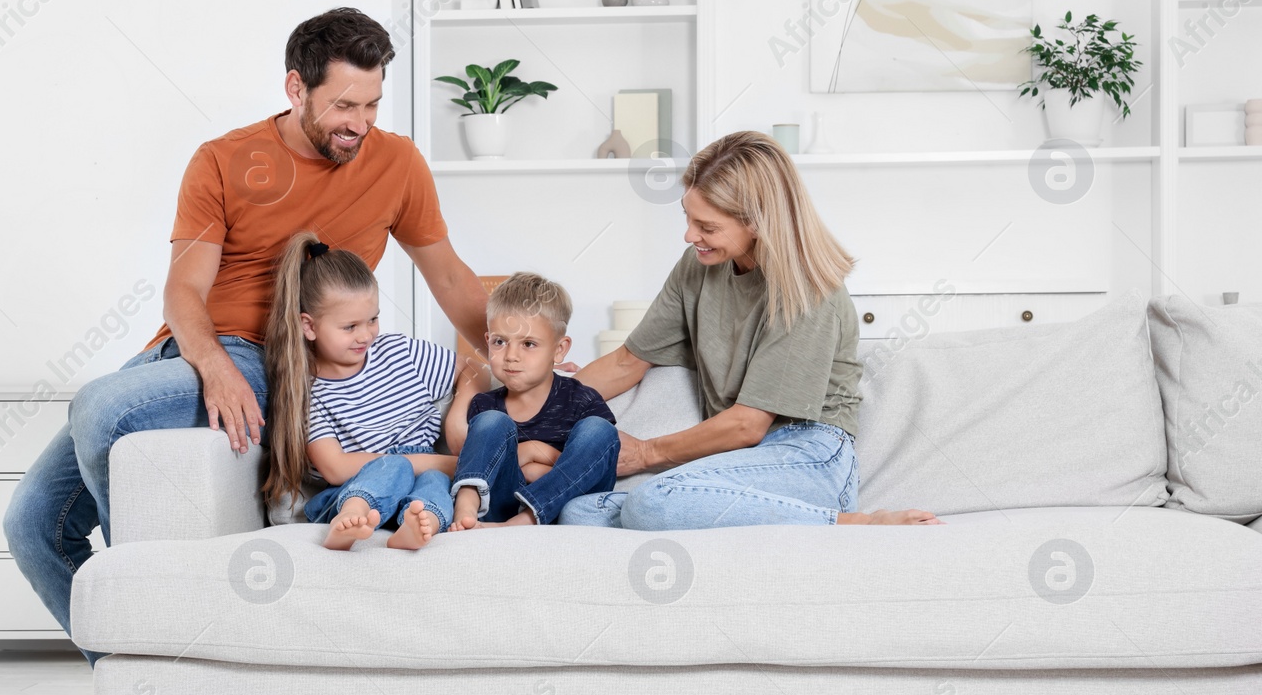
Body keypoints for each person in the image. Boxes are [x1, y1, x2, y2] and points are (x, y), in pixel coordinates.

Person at [4, 8, 488, 695]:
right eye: (343, 106)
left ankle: (157, 645)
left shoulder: (397, 165)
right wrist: (211, 363)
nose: (360, 124)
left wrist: (531, 352)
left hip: (277, 354)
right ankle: (152, 690)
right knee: (30, 523)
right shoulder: (224, 160)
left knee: (98, 408)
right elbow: (183, 289)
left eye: (372, 105)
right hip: (191, 352)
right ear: (296, 88)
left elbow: (458, 285)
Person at [564, 131, 941, 529]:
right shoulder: (696, 268)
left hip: (810, 455)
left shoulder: (810, 291)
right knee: (577, 511)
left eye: (707, 226)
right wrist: (535, 411)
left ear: (758, 222)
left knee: (651, 503)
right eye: (688, 218)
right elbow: (626, 362)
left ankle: (853, 524)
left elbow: (747, 425)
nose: (690, 236)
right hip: (738, 462)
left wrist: (645, 454)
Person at [263, 232, 485, 550]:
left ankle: (419, 524)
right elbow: (335, 467)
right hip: (356, 489)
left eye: (373, 320)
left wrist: (458, 415)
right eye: (350, 327)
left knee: (436, 484)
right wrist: (438, 462)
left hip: (420, 482)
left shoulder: (399, 353)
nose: (366, 335)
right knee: (395, 467)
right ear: (309, 326)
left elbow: (475, 370)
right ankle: (350, 520)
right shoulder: (308, 390)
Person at [449, 273, 619, 529]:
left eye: (528, 344)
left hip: (571, 501)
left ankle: (526, 519)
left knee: (600, 430)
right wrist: (527, 465)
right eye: (500, 342)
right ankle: (466, 511)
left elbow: (597, 463)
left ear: (559, 349)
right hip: (502, 502)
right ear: (488, 343)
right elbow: (488, 464)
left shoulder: (582, 400)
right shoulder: (484, 406)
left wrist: (534, 457)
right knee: (491, 422)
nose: (511, 356)